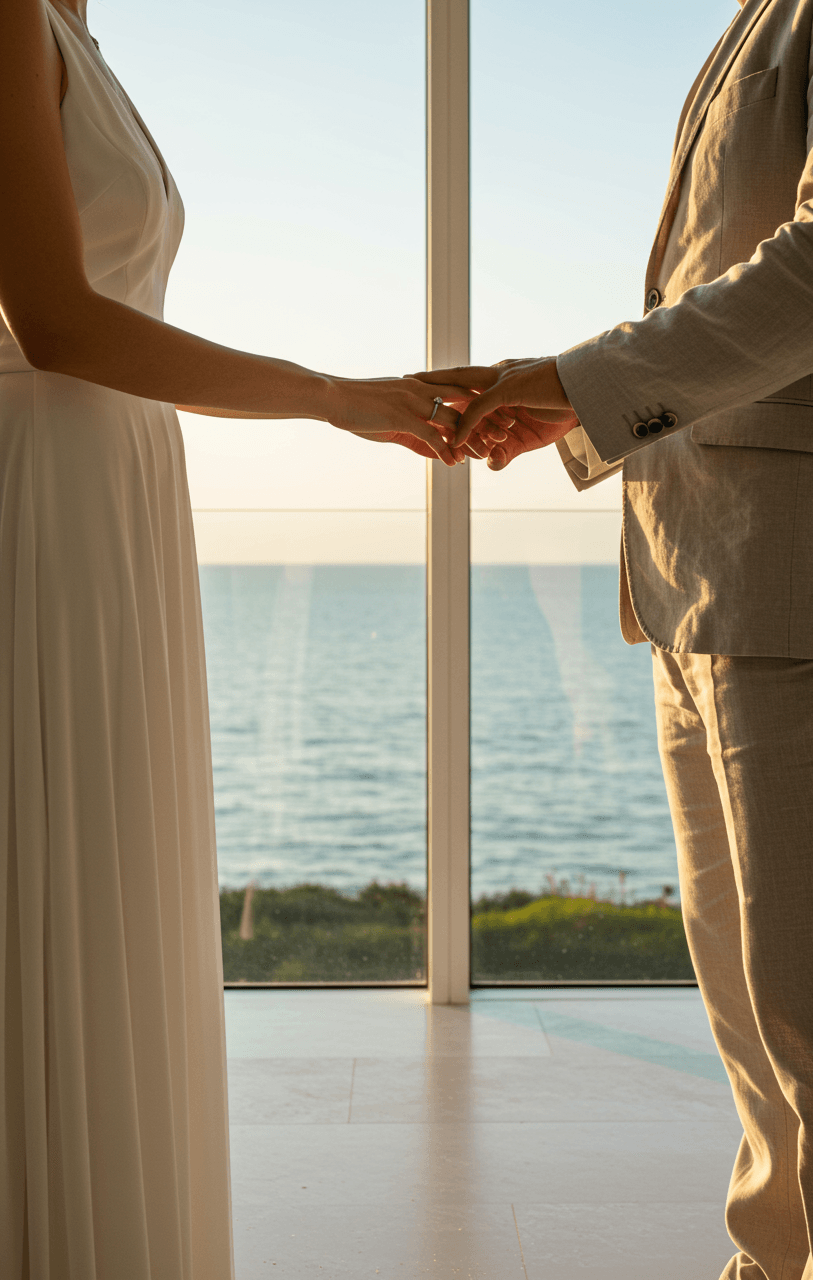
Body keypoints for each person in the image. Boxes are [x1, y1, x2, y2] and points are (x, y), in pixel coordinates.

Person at [0, 1, 471, 1275]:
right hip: (44, 481)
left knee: (100, 863)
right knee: (49, 857)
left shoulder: (67, 30)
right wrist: (334, 396)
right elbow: (59, 320)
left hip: (112, 475)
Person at [427, 0, 813, 1275]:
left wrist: (570, 382)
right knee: (753, 1007)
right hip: (699, 572)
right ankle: (773, 1256)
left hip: (796, 572)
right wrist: (569, 410)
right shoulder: (760, 18)